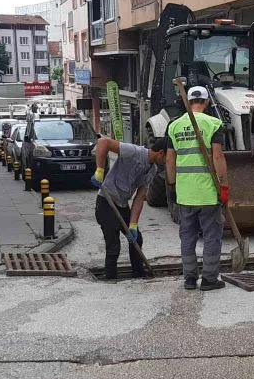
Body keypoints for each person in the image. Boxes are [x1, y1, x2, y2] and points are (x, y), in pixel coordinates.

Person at [166, 86, 229, 291]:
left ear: (188, 102)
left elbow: (169, 159)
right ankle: (209, 279)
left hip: (185, 194)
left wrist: (172, 186)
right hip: (208, 193)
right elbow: (217, 157)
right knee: (212, 237)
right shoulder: (213, 124)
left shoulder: (174, 126)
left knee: (187, 237)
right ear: (207, 102)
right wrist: (224, 186)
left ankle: (190, 279)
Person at [91, 137, 168, 279]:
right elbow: (103, 142)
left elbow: (139, 198)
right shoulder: (133, 152)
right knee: (113, 245)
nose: (167, 163)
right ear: (161, 153)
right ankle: (110, 278)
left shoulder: (152, 170)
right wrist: (99, 170)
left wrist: (133, 224)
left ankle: (138, 275)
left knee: (136, 240)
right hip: (106, 202)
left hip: (122, 205)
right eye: (167, 159)